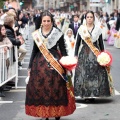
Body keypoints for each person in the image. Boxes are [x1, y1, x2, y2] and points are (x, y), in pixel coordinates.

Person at [25, 10, 76, 120]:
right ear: (41, 22)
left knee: (56, 88)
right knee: (42, 88)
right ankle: (45, 112)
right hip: (39, 63)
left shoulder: (58, 33)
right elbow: (34, 51)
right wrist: (30, 67)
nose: (46, 23)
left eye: (48, 21)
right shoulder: (37, 34)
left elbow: (63, 50)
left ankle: (57, 111)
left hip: (55, 62)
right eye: (44, 21)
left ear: (52, 21)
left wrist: (67, 65)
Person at [74, 11, 114, 101]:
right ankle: (86, 94)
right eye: (87, 17)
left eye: (91, 17)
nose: (89, 19)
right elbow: (77, 43)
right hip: (84, 53)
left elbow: (101, 44)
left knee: (95, 73)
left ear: (93, 18)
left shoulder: (98, 29)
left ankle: (93, 93)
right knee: (84, 73)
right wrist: (75, 55)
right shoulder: (81, 29)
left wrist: (104, 54)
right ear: (85, 18)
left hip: (96, 54)